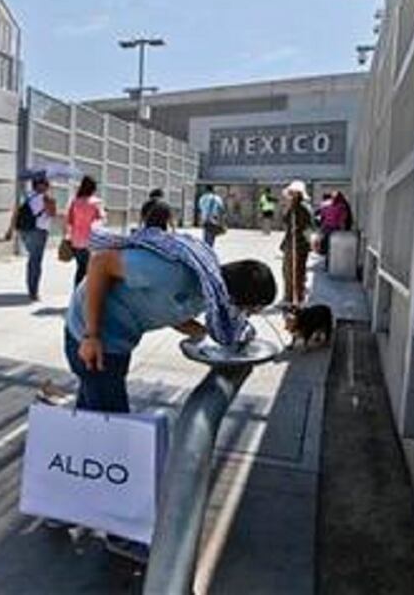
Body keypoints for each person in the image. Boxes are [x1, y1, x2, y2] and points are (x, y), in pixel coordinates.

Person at [64, 227, 276, 561]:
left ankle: (58, 501)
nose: (244, 317)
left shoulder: (205, 291)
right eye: (247, 310)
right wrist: (90, 335)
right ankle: (120, 534)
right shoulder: (172, 272)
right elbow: (100, 265)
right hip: (93, 340)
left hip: (117, 341)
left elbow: (164, 307)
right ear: (235, 297)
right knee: (116, 437)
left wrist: (203, 333)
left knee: (92, 424)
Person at [5, 175, 57, 301]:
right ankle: (33, 291)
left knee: (32, 259)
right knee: (35, 261)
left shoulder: (26, 196)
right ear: (42, 185)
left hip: (24, 231)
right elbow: (52, 214)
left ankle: (31, 287)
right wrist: (51, 201)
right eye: (46, 183)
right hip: (38, 231)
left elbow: (16, 213)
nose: (48, 185)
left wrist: (10, 230)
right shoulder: (47, 198)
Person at [64, 175, 105, 286]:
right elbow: (101, 220)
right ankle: (83, 296)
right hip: (90, 241)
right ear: (93, 188)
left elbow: (69, 220)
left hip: (76, 241)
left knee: (81, 268)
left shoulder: (75, 202)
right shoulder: (96, 203)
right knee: (88, 270)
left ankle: (77, 293)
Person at [281, 181, 315, 306]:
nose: (290, 195)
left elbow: (308, 228)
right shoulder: (293, 207)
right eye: (290, 193)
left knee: (296, 272)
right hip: (291, 243)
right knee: (288, 271)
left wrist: (307, 242)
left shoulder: (303, 208)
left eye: (292, 193)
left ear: (299, 194)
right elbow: (285, 220)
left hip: (299, 245)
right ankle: (289, 296)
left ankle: (296, 298)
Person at [318, 190, 353, 262]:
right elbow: (343, 218)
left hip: (328, 228)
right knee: (334, 247)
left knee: (328, 247)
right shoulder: (342, 206)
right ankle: (332, 262)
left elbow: (322, 215)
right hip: (336, 229)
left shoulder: (327, 205)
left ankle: (328, 262)